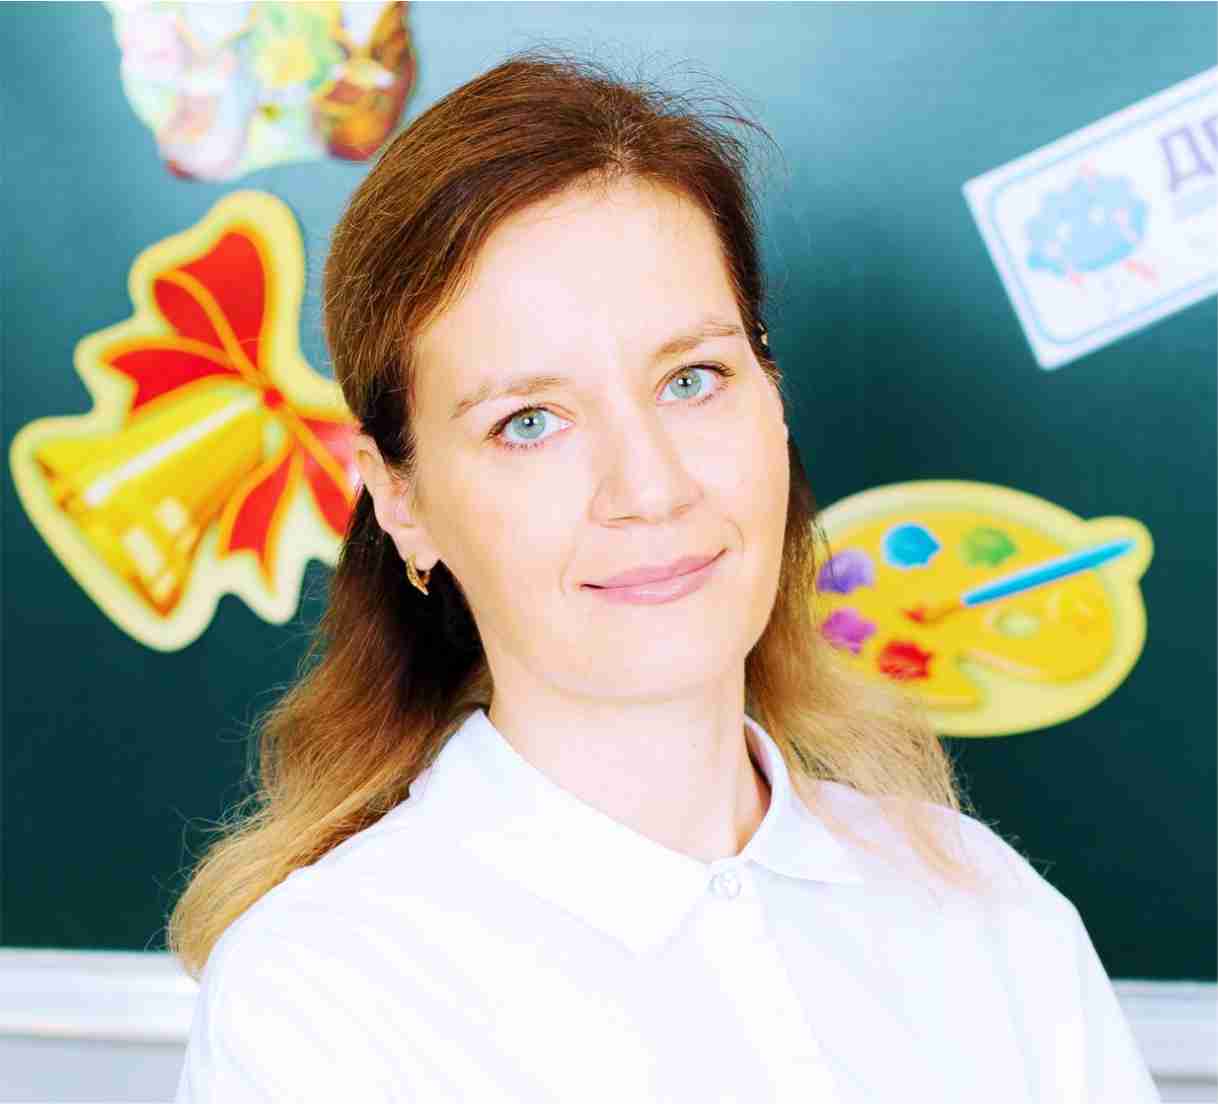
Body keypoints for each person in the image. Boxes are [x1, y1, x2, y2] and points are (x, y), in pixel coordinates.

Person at [170, 46, 1161, 1103]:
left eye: (692, 379)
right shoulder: (321, 997)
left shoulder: (988, 917)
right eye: (530, 422)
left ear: (772, 394)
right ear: (401, 500)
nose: (649, 488)